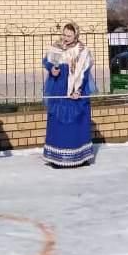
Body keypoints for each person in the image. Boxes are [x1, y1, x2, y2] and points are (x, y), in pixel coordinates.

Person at [42, 22, 95, 168]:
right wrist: (52, 68)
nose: (65, 38)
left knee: (77, 121)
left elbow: (84, 72)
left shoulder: (82, 50)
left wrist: (78, 90)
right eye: (64, 34)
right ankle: (57, 158)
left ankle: (80, 156)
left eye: (69, 35)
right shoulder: (56, 46)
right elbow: (46, 61)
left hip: (77, 88)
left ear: (76, 35)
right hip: (58, 87)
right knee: (58, 121)